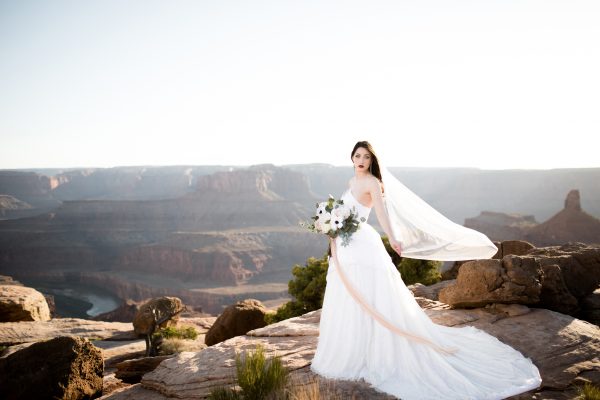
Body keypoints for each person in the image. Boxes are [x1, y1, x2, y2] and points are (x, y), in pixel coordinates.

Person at [309, 140, 542, 400]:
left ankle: (378, 347)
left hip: (363, 245)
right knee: (347, 296)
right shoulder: (351, 182)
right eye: (357, 155)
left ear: (372, 160)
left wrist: (394, 238)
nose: (361, 160)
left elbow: (382, 215)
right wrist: (329, 224)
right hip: (345, 246)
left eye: (365, 156)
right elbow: (343, 213)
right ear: (351, 158)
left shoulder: (374, 183)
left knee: (373, 294)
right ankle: (349, 347)